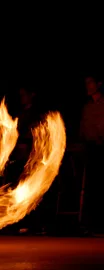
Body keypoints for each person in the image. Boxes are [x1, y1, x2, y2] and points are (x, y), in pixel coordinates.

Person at [79, 73, 104, 234]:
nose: (88, 86)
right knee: (92, 187)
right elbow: (83, 128)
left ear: (99, 84)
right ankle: (92, 223)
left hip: (102, 149)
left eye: (91, 83)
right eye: (86, 83)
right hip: (91, 150)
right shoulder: (87, 107)